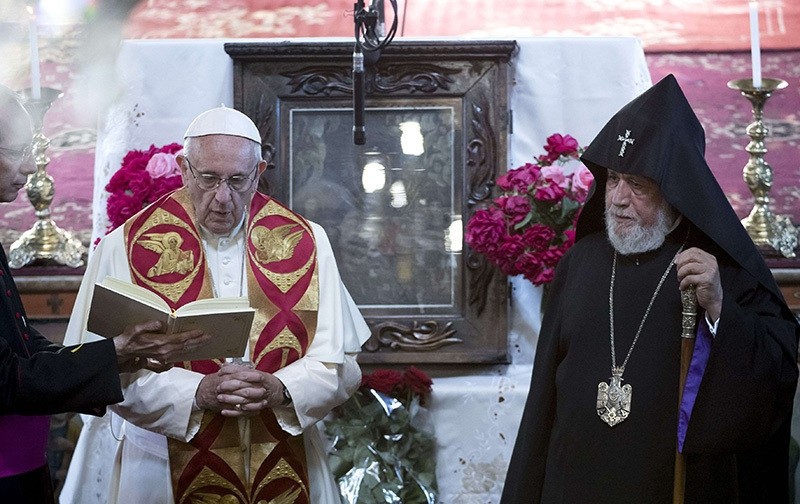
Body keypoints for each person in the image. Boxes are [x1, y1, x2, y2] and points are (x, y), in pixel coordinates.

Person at [500, 74, 799, 503]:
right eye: (614, 178)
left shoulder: (720, 272)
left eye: (637, 184)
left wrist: (720, 310)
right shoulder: (580, 263)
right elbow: (542, 404)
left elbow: (775, 375)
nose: (618, 197)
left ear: (678, 192)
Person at [60, 105, 371, 504]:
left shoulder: (307, 242)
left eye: (238, 181)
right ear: (184, 169)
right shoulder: (124, 246)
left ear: (259, 173)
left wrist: (282, 388)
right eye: (208, 179)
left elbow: (341, 365)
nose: (222, 198)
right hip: (160, 467)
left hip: (283, 453)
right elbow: (95, 369)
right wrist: (195, 393)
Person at [0, 88, 211, 503]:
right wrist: (111, 353)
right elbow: (6, 378)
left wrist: (119, 355)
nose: (30, 166)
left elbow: (22, 344)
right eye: (18, 150)